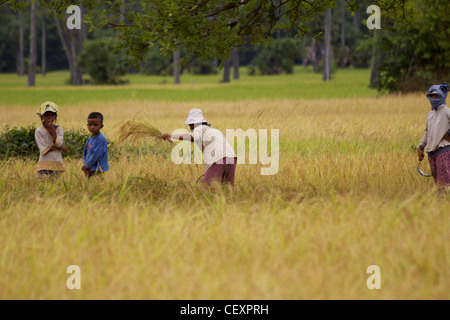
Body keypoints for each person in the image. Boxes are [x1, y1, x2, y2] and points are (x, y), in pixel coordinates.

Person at [162, 109, 237, 187]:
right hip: (232, 158)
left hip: (218, 158)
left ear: (195, 123)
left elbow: (191, 137)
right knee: (228, 188)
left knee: (209, 189)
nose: (190, 128)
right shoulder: (213, 130)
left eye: (190, 125)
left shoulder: (199, 128)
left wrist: (172, 136)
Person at [417, 83, 450, 191]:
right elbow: (427, 131)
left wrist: (447, 135)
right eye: (432, 96)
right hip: (431, 152)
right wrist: (421, 146)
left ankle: (444, 202)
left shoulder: (447, 111)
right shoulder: (430, 115)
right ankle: (440, 204)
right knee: (437, 181)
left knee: (444, 180)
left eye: (436, 95)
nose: (434, 98)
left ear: (442, 96)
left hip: (443, 150)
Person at [35, 101, 67, 179]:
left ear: (55, 117)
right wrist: (60, 148)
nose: (49, 118)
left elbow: (58, 143)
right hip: (44, 164)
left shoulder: (59, 129)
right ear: (42, 117)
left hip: (57, 163)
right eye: (46, 115)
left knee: (57, 187)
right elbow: (44, 149)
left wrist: (53, 130)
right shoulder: (39, 131)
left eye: (52, 115)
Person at [82, 112, 109, 178]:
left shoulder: (101, 139)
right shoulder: (89, 139)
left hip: (98, 170)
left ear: (101, 126)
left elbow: (96, 154)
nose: (92, 127)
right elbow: (85, 153)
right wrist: (86, 165)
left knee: (97, 186)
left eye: (95, 125)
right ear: (87, 125)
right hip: (89, 169)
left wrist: (87, 165)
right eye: (90, 125)